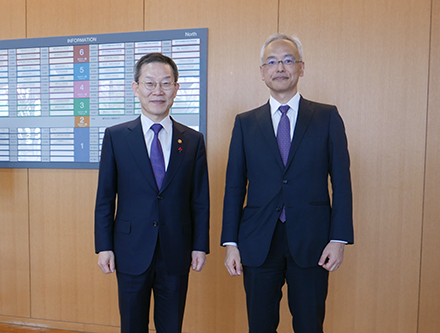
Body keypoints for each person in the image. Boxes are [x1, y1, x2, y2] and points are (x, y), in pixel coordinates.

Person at [221, 33, 353, 332]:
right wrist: (230, 242)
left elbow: (342, 182)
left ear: (301, 68)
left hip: (312, 241)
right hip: (257, 241)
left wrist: (339, 238)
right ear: (262, 72)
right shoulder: (245, 123)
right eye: (272, 61)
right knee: (260, 325)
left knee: (309, 325)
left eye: (288, 60)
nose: (280, 67)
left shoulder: (326, 117)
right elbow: (233, 186)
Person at [95, 53, 209, 333]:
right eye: (149, 83)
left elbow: (200, 199)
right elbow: (105, 197)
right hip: (130, 249)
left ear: (176, 88)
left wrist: (199, 245)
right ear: (136, 88)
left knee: (171, 326)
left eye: (165, 83)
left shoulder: (192, 140)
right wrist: (104, 246)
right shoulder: (117, 136)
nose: (158, 91)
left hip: (176, 249)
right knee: (132, 326)